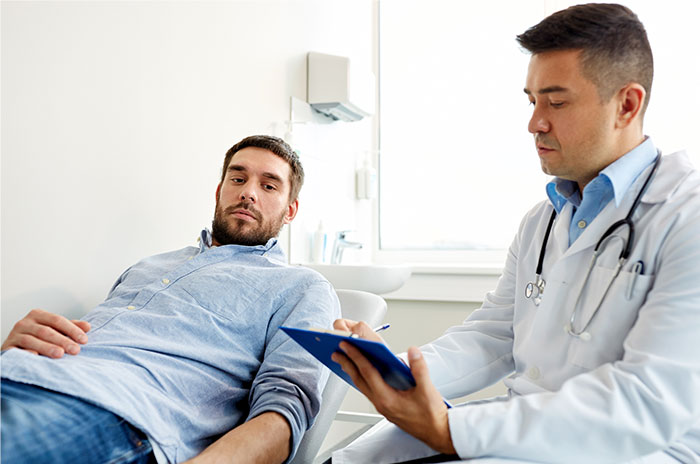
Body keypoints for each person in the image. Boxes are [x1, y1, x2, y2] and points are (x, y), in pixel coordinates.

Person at [330, 4, 700, 463]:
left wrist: (453, 430)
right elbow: (495, 334)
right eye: (532, 101)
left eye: (557, 102)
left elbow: (648, 401)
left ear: (627, 104)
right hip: (525, 426)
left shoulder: (686, 215)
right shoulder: (542, 221)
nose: (535, 123)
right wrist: (396, 371)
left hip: (637, 448)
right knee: (353, 457)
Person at [1, 135, 341, 464]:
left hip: (110, 410)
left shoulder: (302, 287)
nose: (248, 193)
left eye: (269, 186)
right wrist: (14, 350)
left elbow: (285, 410)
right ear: (219, 191)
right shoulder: (149, 266)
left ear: (290, 210)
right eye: (237, 178)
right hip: (20, 373)